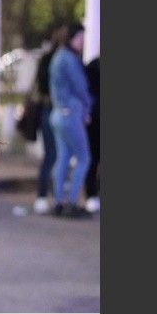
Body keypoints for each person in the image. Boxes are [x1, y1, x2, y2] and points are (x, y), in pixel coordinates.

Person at [49, 22, 92, 219]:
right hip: (70, 114)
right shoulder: (69, 59)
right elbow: (80, 86)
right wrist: (88, 107)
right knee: (84, 158)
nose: (82, 42)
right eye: (80, 38)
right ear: (71, 38)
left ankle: (59, 202)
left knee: (63, 158)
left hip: (58, 113)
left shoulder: (58, 56)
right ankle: (72, 203)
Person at [31, 25, 65, 214]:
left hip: (49, 110)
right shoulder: (56, 60)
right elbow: (43, 86)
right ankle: (44, 195)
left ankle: (47, 196)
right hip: (51, 109)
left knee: (54, 154)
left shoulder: (48, 59)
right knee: (53, 154)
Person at [83, 54, 100, 213]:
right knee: (92, 159)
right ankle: (92, 195)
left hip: (94, 118)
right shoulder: (94, 66)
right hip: (95, 121)